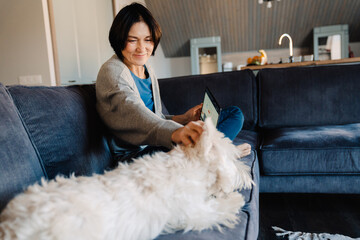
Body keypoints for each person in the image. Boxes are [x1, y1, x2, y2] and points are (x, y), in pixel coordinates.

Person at [96, 2, 245, 163]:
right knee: (197, 136)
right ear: (119, 40)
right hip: (135, 155)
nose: (142, 48)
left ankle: (208, 153)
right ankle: (217, 154)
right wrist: (178, 132)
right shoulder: (113, 73)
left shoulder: (146, 68)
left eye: (148, 40)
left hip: (156, 141)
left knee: (234, 114)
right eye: (132, 40)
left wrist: (183, 119)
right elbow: (137, 117)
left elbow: (154, 117)